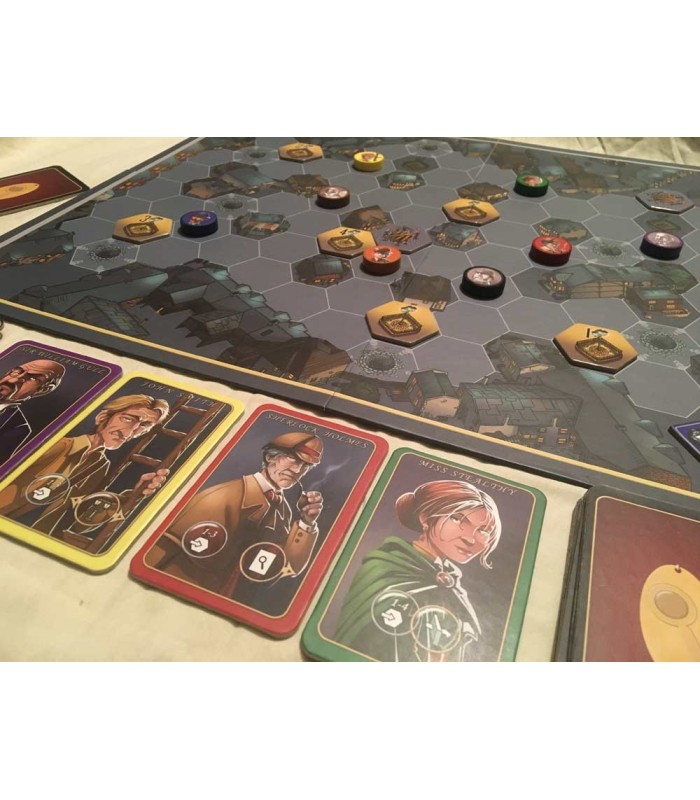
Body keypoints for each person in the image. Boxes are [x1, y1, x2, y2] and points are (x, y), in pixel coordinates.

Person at [334, 479, 502, 662]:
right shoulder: (387, 569)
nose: (470, 539)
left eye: (484, 530)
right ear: (425, 518)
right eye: (457, 519)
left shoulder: (451, 583)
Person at [146, 432, 324, 598]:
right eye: (293, 459)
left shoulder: (283, 510)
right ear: (270, 457)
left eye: (306, 465)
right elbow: (159, 553)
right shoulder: (222, 496)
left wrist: (307, 523)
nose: (297, 470)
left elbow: (285, 567)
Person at [0, 393, 170, 536]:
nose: (129, 433)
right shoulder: (60, 445)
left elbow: (80, 522)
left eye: (144, 426)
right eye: (127, 419)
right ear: (103, 417)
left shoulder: (101, 465)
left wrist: (133, 496)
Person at [0, 359, 66, 464]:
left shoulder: (18, 427)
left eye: (31, 378)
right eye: (17, 371)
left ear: (44, 389)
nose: (12, 380)